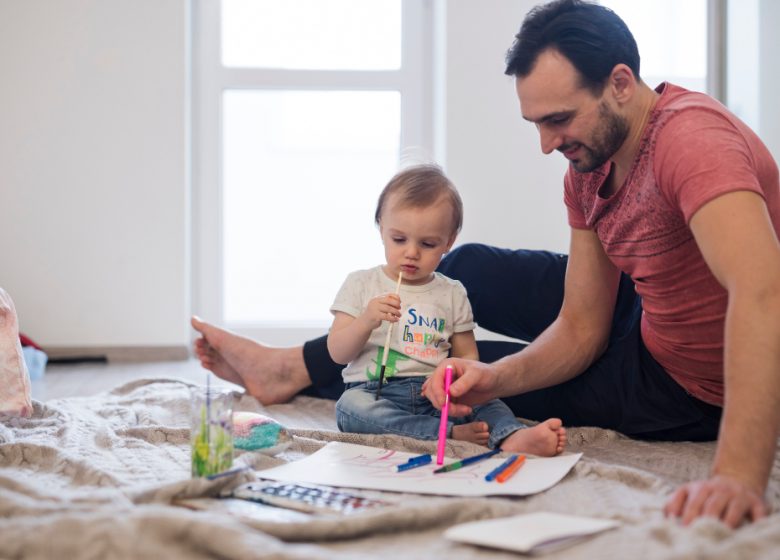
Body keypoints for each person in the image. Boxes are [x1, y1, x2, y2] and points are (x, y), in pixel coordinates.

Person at [192, 0, 780, 528]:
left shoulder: (693, 143)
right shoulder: (590, 166)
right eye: (537, 123)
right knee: (461, 275)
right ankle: (294, 366)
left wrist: (736, 473)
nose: (547, 145)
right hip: (641, 306)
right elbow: (582, 324)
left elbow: (762, 291)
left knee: (431, 381)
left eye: (559, 119)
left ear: (620, 84)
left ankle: (290, 369)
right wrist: (494, 377)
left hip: (684, 382)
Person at [328, 164, 565, 455]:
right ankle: (448, 434)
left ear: (448, 243)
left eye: (428, 244)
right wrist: (366, 319)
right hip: (376, 391)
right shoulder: (361, 283)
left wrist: (451, 373)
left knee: (486, 399)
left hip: (436, 392)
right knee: (350, 409)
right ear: (381, 227)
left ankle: (512, 436)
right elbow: (338, 353)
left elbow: (468, 356)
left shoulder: (452, 292)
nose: (411, 252)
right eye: (399, 239)